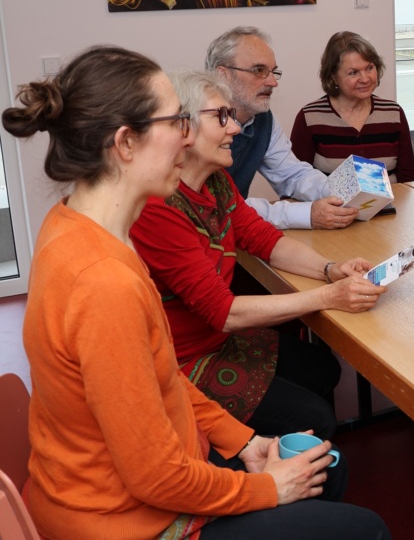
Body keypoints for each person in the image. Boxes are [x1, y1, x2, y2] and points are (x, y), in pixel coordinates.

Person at [2, 46, 389, 540]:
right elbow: (157, 478)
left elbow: (161, 373)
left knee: (326, 470)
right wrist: (267, 488)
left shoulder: (75, 226)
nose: (188, 137)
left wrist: (244, 443)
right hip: (120, 521)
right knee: (366, 528)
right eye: (177, 122)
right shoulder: (104, 281)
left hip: (133, 479)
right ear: (126, 143)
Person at [131, 70, 388, 442]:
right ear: (183, 128)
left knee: (322, 369)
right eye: (221, 117)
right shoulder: (158, 207)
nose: (236, 128)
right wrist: (329, 296)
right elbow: (224, 312)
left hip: (215, 341)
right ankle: (257, 460)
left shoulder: (216, 182)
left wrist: (330, 269)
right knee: (316, 417)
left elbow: (265, 241)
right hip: (184, 362)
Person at [207, 26, 358, 230]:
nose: (272, 82)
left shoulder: (262, 118)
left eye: (273, 72)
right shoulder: (196, 124)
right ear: (223, 75)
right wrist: (306, 214)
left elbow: (292, 174)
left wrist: (343, 193)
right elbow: (220, 206)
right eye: (259, 71)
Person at [291, 31, 414, 182]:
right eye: (353, 72)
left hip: (393, 198)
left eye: (369, 68)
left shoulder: (393, 113)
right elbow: (296, 180)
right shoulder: (310, 118)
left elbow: (409, 179)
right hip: (331, 198)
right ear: (333, 77)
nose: (365, 79)